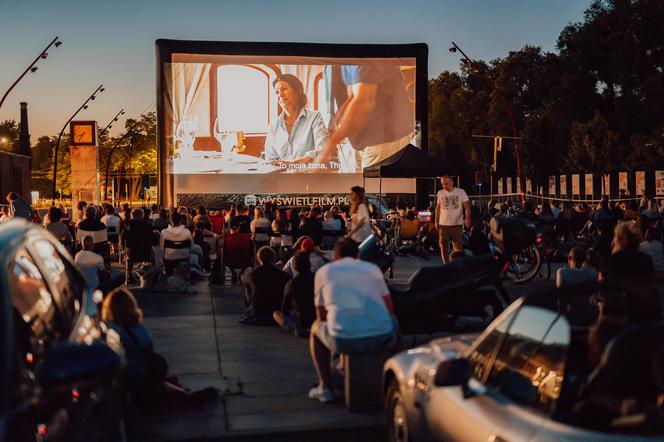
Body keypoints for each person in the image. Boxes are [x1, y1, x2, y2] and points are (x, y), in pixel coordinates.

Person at [308, 238, 396, 403]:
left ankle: (325, 387)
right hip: (381, 336)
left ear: (335, 256)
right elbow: (389, 307)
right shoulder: (373, 269)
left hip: (344, 340)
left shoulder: (324, 272)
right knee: (394, 321)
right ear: (358, 255)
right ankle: (396, 378)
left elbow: (321, 315)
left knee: (315, 328)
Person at [101, 288, 218, 411]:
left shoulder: (109, 331)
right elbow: (149, 353)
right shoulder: (141, 331)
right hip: (139, 379)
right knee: (162, 389)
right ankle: (184, 395)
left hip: (120, 383)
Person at [315, 63, 414, 170]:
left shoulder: (360, 55)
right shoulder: (345, 60)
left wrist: (329, 145)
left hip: (384, 137)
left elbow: (363, 102)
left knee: (374, 186)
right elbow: (351, 97)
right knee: (357, 182)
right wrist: (335, 134)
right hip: (363, 139)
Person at [263, 74, 329, 166]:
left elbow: (323, 151)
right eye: (277, 92)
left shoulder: (315, 117)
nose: (280, 95)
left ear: (298, 91)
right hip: (280, 177)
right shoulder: (274, 125)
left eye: (284, 89)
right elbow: (270, 159)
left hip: (306, 176)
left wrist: (292, 164)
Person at [239, 246, 290, 324]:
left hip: (258, 309)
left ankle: (251, 305)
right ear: (273, 258)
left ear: (259, 259)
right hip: (275, 307)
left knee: (247, 285)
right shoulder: (282, 275)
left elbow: (242, 278)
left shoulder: (253, 274)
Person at [273, 251, 316, 337]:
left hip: (300, 321)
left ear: (294, 266)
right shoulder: (318, 278)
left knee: (276, 314)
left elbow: (285, 309)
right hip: (315, 319)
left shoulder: (291, 283)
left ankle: (297, 328)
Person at [435, 176, 470, 263]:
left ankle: (456, 263)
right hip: (443, 224)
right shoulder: (440, 193)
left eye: (446, 184)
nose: (444, 186)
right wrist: (436, 221)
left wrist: (467, 218)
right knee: (443, 245)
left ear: (451, 182)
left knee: (458, 246)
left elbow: (467, 207)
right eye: (442, 184)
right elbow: (438, 208)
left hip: (456, 223)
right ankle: (446, 264)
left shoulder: (460, 192)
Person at [122, 208, 154, 283]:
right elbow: (152, 239)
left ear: (131, 215)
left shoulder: (128, 226)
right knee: (152, 253)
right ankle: (151, 275)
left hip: (132, 252)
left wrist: (125, 248)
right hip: (145, 252)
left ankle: (129, 276)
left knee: (129, 255)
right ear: (142, 216)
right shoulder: (147, 226)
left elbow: (123, 238)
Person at [160, 211, 193, 276]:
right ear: (180, 220)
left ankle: (168, 276)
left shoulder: (164, 232)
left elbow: (161, 247)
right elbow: (191, 246)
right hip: (184, 257)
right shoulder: (186, 232)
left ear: (170, 220)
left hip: (169, 260)